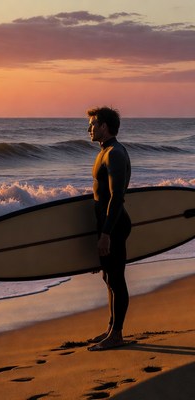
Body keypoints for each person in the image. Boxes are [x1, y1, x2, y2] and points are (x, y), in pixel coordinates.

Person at [86, 106, 132, 351]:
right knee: (108, 277)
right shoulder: (105, 151)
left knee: (116, 278)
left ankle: (117, 335)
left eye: (93, 124)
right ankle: (111, 328)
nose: (89, 129)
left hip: (113, 225)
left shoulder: (114, 153)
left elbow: (117, 197)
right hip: (106, 224)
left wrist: (105, 234)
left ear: (104, 126)